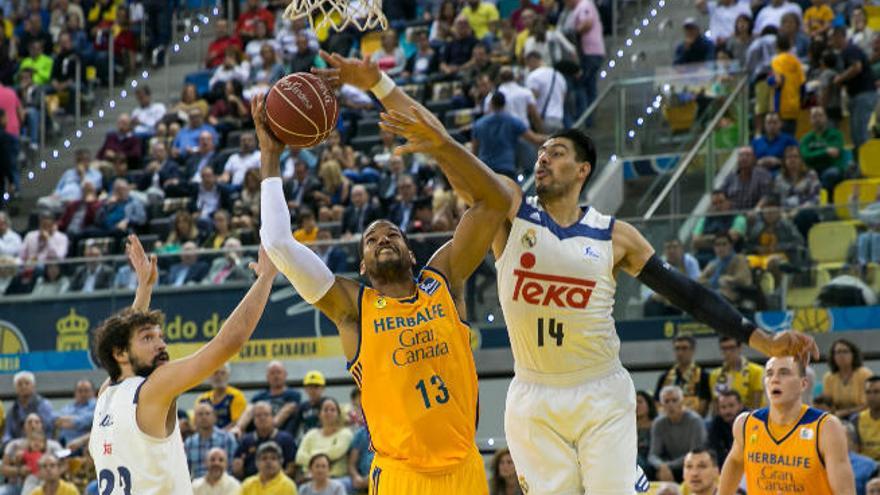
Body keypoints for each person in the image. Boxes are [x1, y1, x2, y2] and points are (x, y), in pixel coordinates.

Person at [314, 50, 817, 495]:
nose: (543, 159)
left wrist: (760, 338)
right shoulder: (511, 212)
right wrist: (380, 86)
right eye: (539, 152)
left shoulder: (615, 236)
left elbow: (688, 294)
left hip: (601, 387)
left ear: (583, 170)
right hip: (533, 393)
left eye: (556, 152)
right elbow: (443, 147)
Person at [263, 51, 521, 494]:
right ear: (362, 266)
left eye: (393, 234)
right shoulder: (353, 308)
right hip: (401, 475)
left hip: (465, 469)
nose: (383, 239)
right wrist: (270, 157)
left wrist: (438, 142)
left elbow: (495, 202)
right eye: (372, 239)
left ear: (411, 251)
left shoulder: (444, 280)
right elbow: (280, 245)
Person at [88, 234, 276, 493]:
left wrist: (144, 289)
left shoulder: (106, 393)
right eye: (149, 338)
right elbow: (227, 344)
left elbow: (123, 347)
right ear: (120, 354)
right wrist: (266, 278)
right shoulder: (153, 388)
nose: (162, 345)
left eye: (160, 337)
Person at [719, 356, 856, 495]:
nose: (775, 379)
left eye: (784, 373)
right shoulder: (746, 423)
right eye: (770, 373)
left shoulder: (826, 427)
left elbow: (845, 491)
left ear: (803, 384)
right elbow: (735, 461)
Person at [472, 92, 545, 179]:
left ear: (491, 104)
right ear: (504, 104)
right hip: (506, 168)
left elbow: (474, 151)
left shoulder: (479, 124)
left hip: (486, 169)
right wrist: (554, 136)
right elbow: (534, 139)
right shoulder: (513, 121)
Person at [830, 26, 877, 153]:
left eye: (832, 38)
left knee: (861, 133)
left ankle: (868, 165)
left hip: (864, 94)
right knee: (855, 134)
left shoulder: (850, 50)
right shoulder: (843, 53)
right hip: (856, 95)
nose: (831, 42)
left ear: (839, 37)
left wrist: (840, 78)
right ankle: (860, 165)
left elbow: (857, 67)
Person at [648, 386, 708, 483]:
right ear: (661, 406)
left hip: (691, 464)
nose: (670, 405)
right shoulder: (658, 423)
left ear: (682, 402)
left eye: (674, 400)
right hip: (668, 468)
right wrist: (661, 466)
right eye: (666, 401)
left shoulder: (695, 421)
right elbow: (653, 455)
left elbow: (695, 454)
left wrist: (667, 466)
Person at [232, 401, 297, 480]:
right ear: (253, 420)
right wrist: (238, 470)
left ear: (272, 417)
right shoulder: (246, 440)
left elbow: (292, 467)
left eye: (266, 415)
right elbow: (237, 466)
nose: (262, 418)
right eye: (258, 415)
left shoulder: (286, 439)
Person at [294, 398, 352, 479]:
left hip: (335, 477)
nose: (329, 412)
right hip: (309, 477)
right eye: (325, 410)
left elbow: (336, 453)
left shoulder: (345, 433)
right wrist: (321, 458)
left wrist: (312, 456)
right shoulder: (311, 433)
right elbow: (299, 457)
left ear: (338, 414)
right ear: (319, 415)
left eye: (332, 410)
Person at [236, 361, 300, 434]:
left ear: (285, 375)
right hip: (258, 434)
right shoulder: (259, 396)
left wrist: (266, 427)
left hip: (281, 434)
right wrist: (238, 427)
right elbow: (248, 411)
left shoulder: (293, 395)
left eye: (279, 372)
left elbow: (283, 414)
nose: (276, 376)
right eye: (272, 373)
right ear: (267, 377)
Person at [654, 336, 712, 416]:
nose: (680, 353)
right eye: (677, 348)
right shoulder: (664, 377)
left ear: (693, 350)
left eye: (684, 348)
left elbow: (703, 406)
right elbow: (657, 403)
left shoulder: (703, 376)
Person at [185, 402, 238, 479]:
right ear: (195, 420)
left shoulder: (227, 438)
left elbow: (233, 468)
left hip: (223, 484)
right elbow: (187, 471)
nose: (204, 417)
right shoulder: (189, 443)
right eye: (200, 414)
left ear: (214, 417)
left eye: (207, 413)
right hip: (198, 486)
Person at [710, 336, 765, 409]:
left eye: (731, 348)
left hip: (749, 416)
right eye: (724, 349)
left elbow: (756, 405)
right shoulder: (715, 375)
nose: (728, 352)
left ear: (740, 348)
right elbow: (716, 406)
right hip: (726, 417)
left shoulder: (756, 371)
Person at [824, 339, 874, 418]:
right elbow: (827, 403)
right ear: (833, 356)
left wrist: (845, 412)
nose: (841, 355)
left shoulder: (865, 374)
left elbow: (869, 403)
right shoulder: (829, 377)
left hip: (862, 415)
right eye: (838, 352)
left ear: (853, 355)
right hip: (837, 416)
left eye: (845, 351)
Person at [3, 371, 55, 444]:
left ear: (33, 386)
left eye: (27, 383)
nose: (23, 386)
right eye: (19, 384)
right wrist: (8, 443)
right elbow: (7, 433)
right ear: (15, 388)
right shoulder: (12, 410)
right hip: (18, 446)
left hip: (41, 444)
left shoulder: (44, 405)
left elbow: (49, 429)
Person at [197, 364, 246, 431]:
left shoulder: (236, 396)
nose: (219, 376)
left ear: (228, 376)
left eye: (223, 373)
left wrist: (219, 435)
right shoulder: (202, 399)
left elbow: (236, 423)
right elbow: (196, 423)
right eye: (215, 373)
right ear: (209, 376)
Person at [706, 389, 747, 463]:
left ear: (741, 406)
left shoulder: (750, 420)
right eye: (723, 407)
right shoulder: (716, 423)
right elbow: (714, 450)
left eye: (731, 406)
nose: (727, 411)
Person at [54, 380, 95, 452]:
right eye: (80, 391)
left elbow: (81, 422)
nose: (83, 394)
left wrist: (71, 420)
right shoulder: (69, 406)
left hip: (84, 447)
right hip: (63, 445)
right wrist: (78, 419)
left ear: (93, 392)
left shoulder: (96, 406)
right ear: (75, 392)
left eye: (86, 391)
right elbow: (57, 421)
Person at [853, 376, 880, 462]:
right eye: (868, 392)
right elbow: (854, 452)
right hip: (866, 468)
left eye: (876, 392)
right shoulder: (856, 419)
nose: (871, 396)